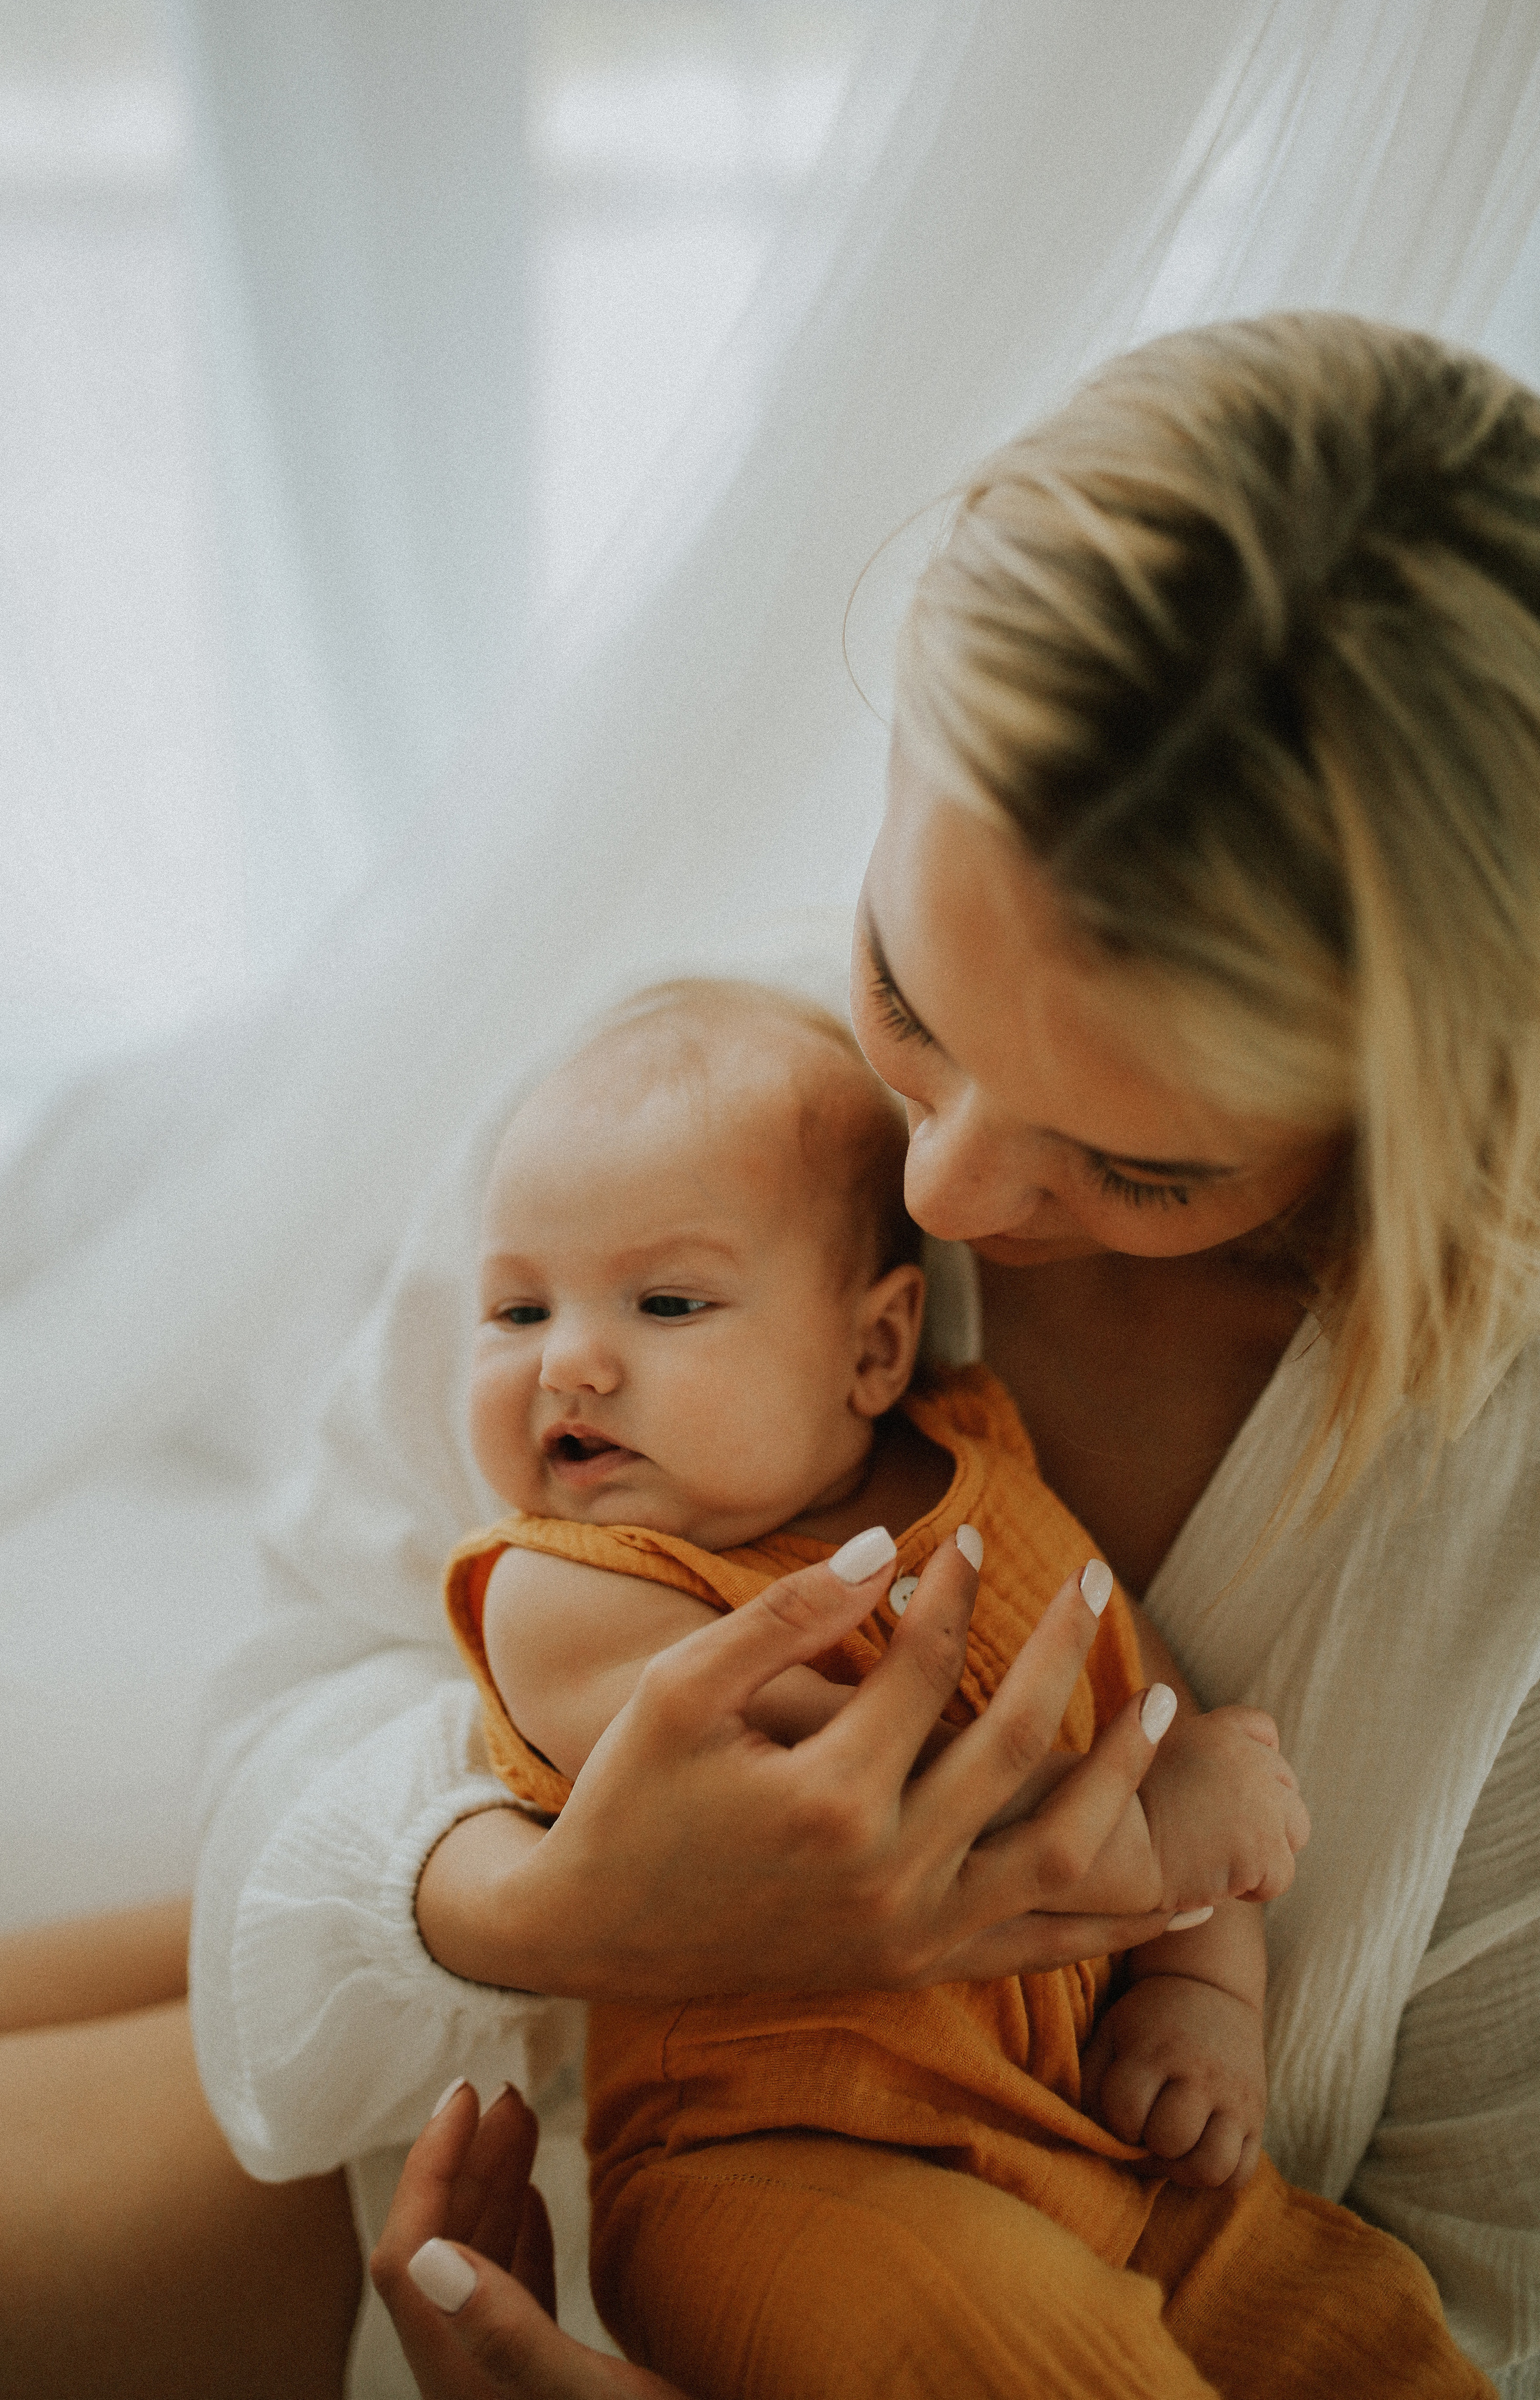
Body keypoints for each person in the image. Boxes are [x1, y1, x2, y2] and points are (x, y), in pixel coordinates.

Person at [0, 310, 1535, 2397]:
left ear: (1436, 1112)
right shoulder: (695, 1095)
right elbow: (334, 1663)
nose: (931, 1193)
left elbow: (1470, 2311)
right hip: (475, 2065)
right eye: (906, 994)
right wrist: (534, 1914)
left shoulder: (1500, 1513)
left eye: (1136, 1165)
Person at [438, 975, 1487, 2395]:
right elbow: (848, 1797)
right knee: (979, 2344)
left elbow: (1153, 1733)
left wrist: (1200, 1996)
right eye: (513, 1310)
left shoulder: (988, 1468)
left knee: (1360, 2334)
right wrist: (1160, 1840)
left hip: (1116, 2174)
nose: (566, 1358)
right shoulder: (562, 1588)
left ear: (874, 1347)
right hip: (778, 2172)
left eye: (666, 1300)